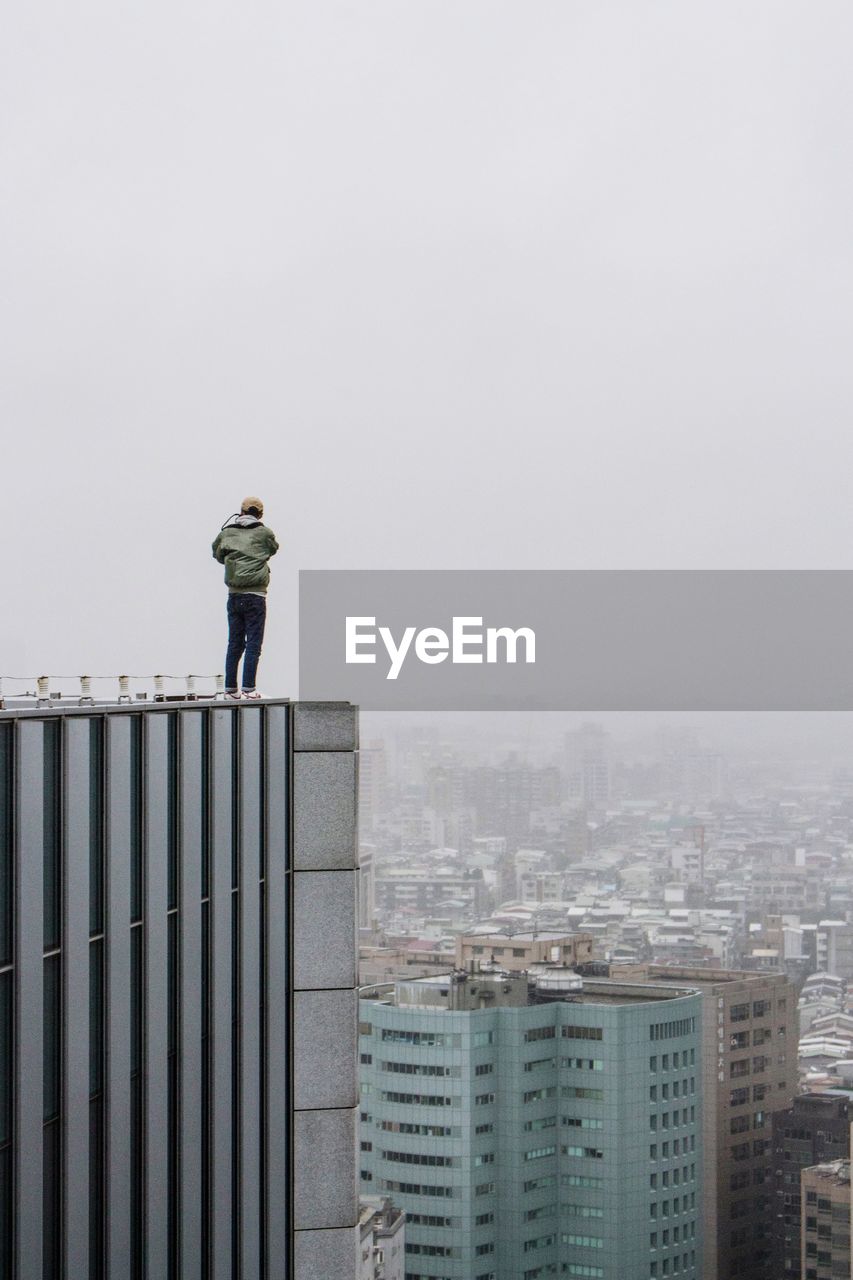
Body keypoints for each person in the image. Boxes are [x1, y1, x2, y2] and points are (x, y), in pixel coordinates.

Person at [212, 497, 279, 699]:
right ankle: (249, 689)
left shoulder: (227, 533)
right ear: (260, 514)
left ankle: (230, 689)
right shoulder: (264, 533)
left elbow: (217, 554)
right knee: (253, 643)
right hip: (256, 595)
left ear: (240, 512)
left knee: (235, 642)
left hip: (234, 595)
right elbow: (273, 549)